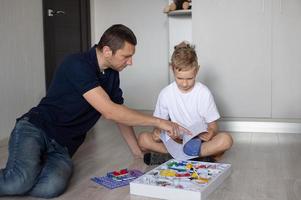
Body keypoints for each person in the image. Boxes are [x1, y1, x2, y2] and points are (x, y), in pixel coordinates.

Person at [0, 24, 188, 198]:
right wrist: (159, 121)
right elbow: (110, 112)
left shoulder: (112, 75)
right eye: (126, 56)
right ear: (107, 51)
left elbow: (119, 113)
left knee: (49, 189)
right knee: (18, 182)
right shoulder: (76, 64)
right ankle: (23, 173)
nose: (130, 62)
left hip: (63, 147)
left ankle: (28, 169)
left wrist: (137, 152)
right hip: (36, 129)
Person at [138, 41, 233, 165]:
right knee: (143, 139)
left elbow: (213, 126)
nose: (184, 83)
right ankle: (198, 158)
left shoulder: (203, 93)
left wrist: (211, 133)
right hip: (176, 141)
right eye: (180, 78)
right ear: (172, 69)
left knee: (226, 140)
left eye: (189, 78)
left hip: (198, 142)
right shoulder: (166, 94)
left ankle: (173, 158)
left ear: (197, 70)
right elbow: (158, 124)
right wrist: (158, 133)